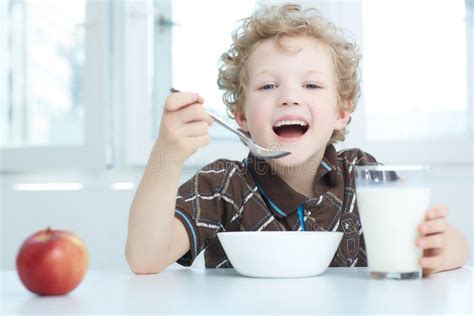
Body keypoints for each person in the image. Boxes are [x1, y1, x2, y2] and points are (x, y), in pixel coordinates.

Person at [125, 4, 469, 276]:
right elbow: (145, 259)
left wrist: (437, 251)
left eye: (311, 85)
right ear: (241, 116)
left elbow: (456, 247)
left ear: (342, 111)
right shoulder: (222, 185)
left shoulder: (364, 175)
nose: (289, 97)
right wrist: (167, 155)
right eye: (268, 86)